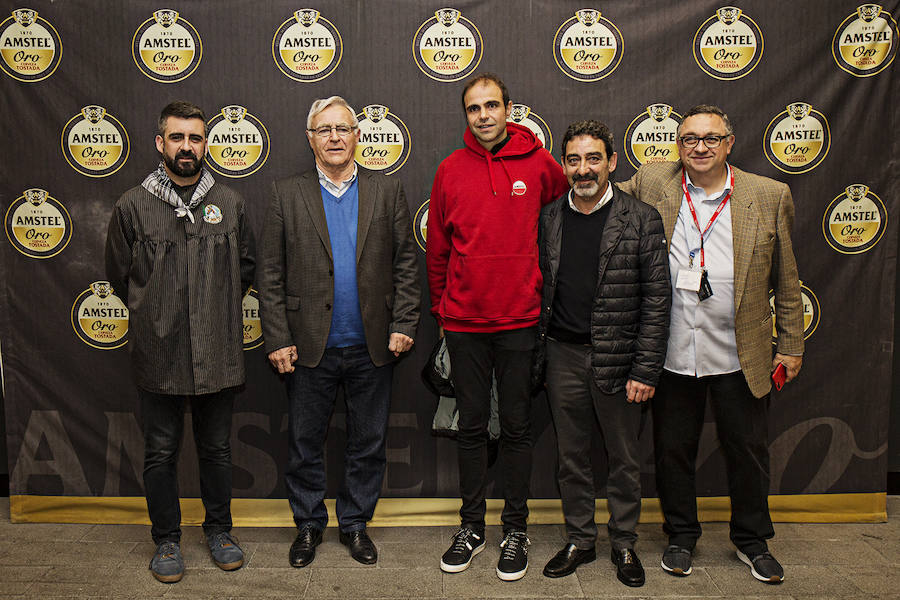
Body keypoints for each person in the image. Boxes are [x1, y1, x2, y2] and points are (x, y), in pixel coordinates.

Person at [618, 104, 804, 584]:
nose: (699, 147)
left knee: (746, 448)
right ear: (677, 146)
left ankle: (752, 540)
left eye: (710, 138)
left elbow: (787, 278)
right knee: (672, 448)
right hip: (673, 348)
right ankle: (681, 536)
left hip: (741, 350)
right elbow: (597, 194)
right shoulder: (655, 182)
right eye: (689, 139)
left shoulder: (767, 194)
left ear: (728, 144)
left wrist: (792, 344)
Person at [257, 96, 420, 568]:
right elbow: (269, 274)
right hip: (307, 346)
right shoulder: (285, 193)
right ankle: (308, 526)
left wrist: (405, 322)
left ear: (357, 136)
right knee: (305, 445)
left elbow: (407, 264)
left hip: (372, 346)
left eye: (342, 129)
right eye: (323, 129)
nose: (333, 137)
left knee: (367, 444)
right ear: (310, 138)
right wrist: (277, 337)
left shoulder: (386, 192)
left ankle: (355, 525)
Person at [105, 101, 256, 583]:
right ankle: (166, 540)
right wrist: (158, 313)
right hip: (159, 351)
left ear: (206, 143)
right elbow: (117, 272)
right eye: (177, 137)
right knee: (161, 452)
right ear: (160, 143)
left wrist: (211, 309)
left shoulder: (229, 204)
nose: (186, 146)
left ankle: (219, 531)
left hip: (217, 350)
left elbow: (246, 268)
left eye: (195, 138)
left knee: (216, 451)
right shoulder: (132, 205)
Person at [427, 72, 569, 581]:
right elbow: (439, 248)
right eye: (473, 108)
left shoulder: (540, 164)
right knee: (470, 428)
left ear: (508, 108)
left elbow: (561, 223)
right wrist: (443, 312)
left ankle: (515, 530)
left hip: (521, 321)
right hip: (464, 323)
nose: (483, 115)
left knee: (515, 428)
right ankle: (471, 528)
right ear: (465, 115)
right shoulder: (449, 170)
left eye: (491, 105)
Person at [536, 120, 670, 586]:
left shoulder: (642, 218)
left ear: (612, 162)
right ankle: (580, 539)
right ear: (564, 165)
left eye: (594, 158)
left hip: (620, 358)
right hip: (562, 356)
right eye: (573, 160)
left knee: (623, 458)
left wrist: (645, 369)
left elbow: (657, 301)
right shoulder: (550, 216)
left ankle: (625, 544)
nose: (583, 169)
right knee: (571, 456)